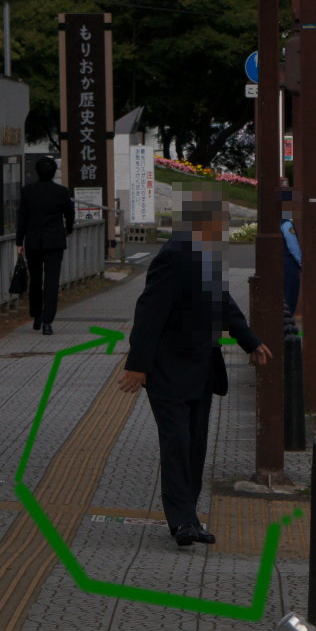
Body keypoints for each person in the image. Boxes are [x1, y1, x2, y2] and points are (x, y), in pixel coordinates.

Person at [120, 187, 272, 547]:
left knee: (196, 446)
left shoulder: (206, 255)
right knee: (176, 443)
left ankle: (189, 515)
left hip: (201, 366)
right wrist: (138, 365)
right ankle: (183, 521)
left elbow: (222, 301)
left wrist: (250, 340)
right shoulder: (173, 255)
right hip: (168, 368)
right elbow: (149, 312)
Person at [15, 156, 75, 336]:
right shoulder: (61, 192)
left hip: (33, 241)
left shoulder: (28, 191)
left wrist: (19, 241)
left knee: (35, 279)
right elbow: (69, 213)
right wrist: (68, 229)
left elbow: (22, 217)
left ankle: (36, 315)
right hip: (55, 241)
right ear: (54, 172)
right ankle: (48, 321)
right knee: (51, 281)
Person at [281, 191, 303, 316]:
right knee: (290, 296)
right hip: (289, 264)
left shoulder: (275, 221)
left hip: (278, 263)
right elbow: (293, 246)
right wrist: (300, 262)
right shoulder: (287, 224)